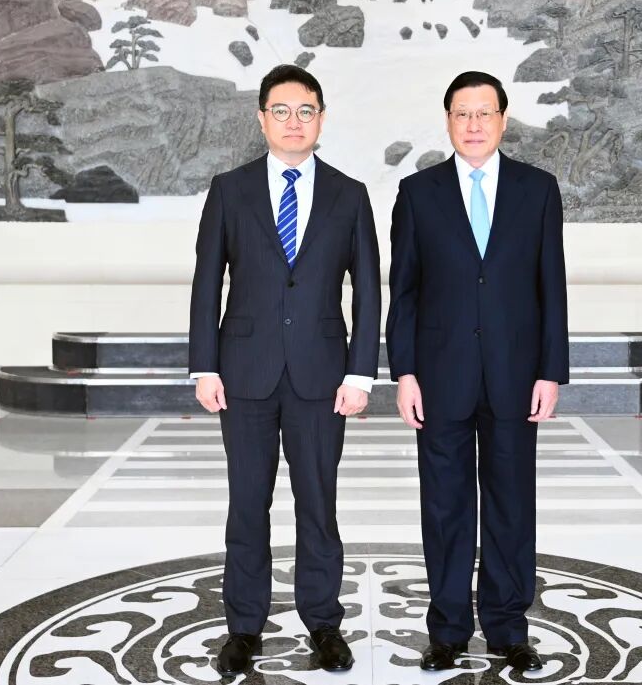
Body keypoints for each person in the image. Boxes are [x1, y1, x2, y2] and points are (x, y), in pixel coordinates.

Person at [188, 64, 381, 676]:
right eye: (281, 110)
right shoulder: (230, 189)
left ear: (321, 119)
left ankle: (323, 623)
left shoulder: (350, 194)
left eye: (305, 111)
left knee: (317, 504)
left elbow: (369, 289)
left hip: (322, 377)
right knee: (247, 503)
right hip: (244, 372)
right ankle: (244, 627)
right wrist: (204, 365)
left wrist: (361, 373)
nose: (293, 122)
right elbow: (207, 281)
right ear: (262, 118)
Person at [385, 71, 569, 673]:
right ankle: (447, 631)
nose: (473, 124)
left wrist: (550, 372)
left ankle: (509, 627)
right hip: (440, 377)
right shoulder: (418, 193)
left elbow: (551, 286)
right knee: (445, 506)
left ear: (503, 120)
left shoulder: (538, 190)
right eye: (462, 114)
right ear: (447, 121)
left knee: (512, 504)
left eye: (484, 113)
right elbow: (404, 291)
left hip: (517, 375)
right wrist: (405, 373)